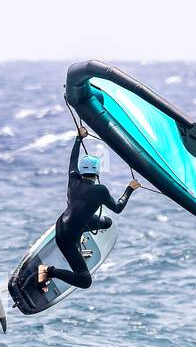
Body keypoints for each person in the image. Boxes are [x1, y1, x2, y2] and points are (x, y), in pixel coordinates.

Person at [38, 123, 140, 290]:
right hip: (67, 240)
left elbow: (72, 160)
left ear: (81, 170)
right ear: (97, 171)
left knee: (106, 223)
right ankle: (49, 271)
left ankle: (81, 235)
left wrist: (78, 138)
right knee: (85, 281)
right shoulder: (99, 190)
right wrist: (130, 189)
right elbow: (118, 207)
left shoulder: (73, 178)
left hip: (61, 224)